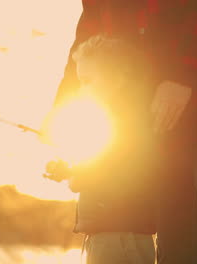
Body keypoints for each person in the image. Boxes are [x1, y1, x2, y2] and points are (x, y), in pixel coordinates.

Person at [54, 0, 197, 263]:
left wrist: (184, 75)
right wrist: (63, 106)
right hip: (159, 124)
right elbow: (91, 28)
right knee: (176, 248)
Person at [44, 34, 158, 264]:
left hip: (114, 236)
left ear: (117, 79)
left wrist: (73, 176)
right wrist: (68, 170)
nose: (82, 88)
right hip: (127, 234)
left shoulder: (117, 122)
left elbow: (104, 173)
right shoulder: (130, 118)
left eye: (88, 80)